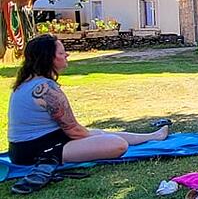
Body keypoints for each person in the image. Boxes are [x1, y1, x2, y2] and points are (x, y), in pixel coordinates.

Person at [7, 35, 170, 169]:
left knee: (99, 133)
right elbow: (74, 131)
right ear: (49, 58)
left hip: (26, 149)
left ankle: (152, 136)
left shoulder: (27, 82)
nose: (67, 55)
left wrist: (97, 134)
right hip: (37, 151)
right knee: (117, 144)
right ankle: (151, 136)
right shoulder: (46, 89)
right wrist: (96, 136)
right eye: (62, 53)